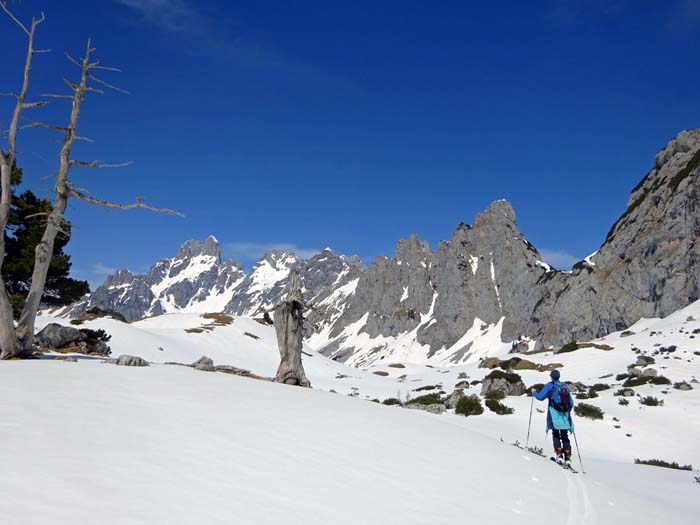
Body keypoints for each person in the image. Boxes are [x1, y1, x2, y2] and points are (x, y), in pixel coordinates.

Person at [531, 369, 574, 465]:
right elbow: (571, 403)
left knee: (555, 434)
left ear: (551, 376)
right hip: (564, 415)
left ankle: (559, 455)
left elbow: (540, 397)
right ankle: (567, 456)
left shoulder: (550, 385)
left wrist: (534, 392)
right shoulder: (564, 386)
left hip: (553, 413)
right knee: (564, 435)